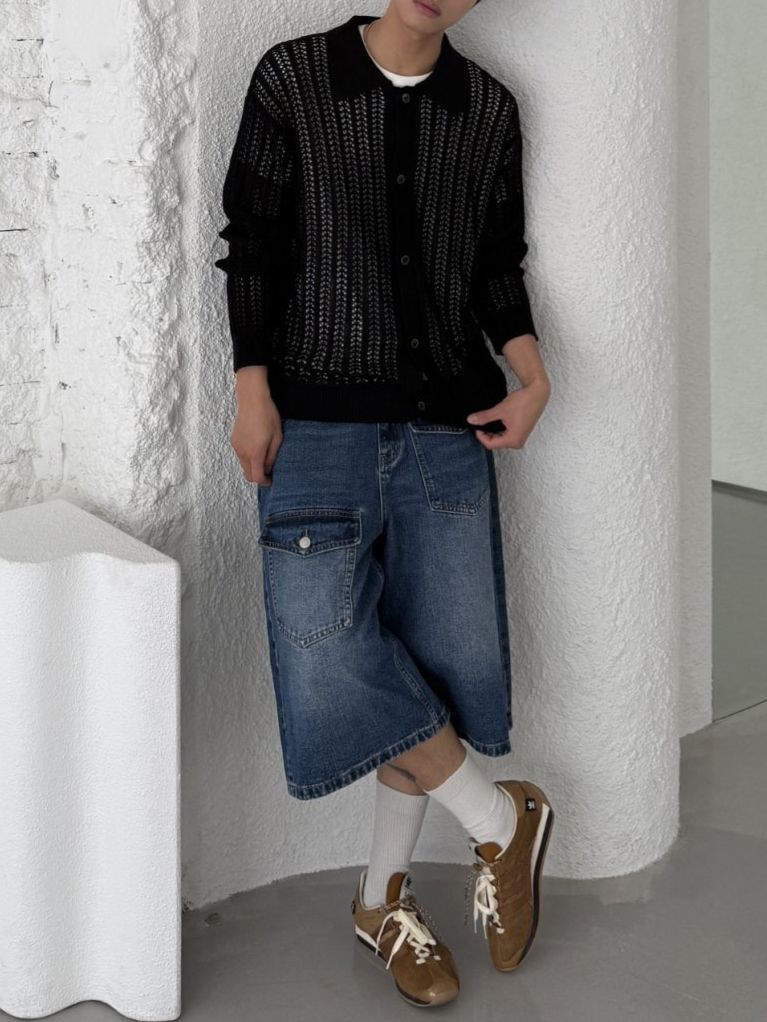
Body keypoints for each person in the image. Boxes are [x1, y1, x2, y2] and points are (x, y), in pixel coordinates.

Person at [215, 0, 554, 1008]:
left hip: (448, 434)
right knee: (328, 657)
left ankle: (379, 903)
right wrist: (251, 391)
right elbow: (252, 245)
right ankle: (500, 822)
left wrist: (532, 377)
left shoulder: (486, 109)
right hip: (313, 429)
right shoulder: (294, 80)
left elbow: (495, 270)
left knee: (429, 674)